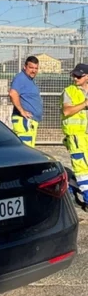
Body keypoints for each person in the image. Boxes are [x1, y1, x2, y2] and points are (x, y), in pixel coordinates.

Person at [62, 63, 88, 208]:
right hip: (76, 137)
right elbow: (66, 111)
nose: (75, 77)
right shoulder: (69, 91)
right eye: (74, 75)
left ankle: (72, 186)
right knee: (82, 170)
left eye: (79, 75)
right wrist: (85, 104)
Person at [9, 56, 42, 147]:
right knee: (25, 151)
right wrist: (22, 111)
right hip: (24, 121)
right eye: (31, 68)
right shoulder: (21, 78)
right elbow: (13, 93)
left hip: (30, 121)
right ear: (25, 67)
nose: (34, 70)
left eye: (36, 68)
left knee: (29, 150)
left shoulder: (29, 80)